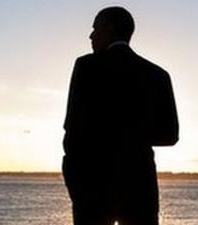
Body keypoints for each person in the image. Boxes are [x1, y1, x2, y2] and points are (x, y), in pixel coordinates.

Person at [62, 6, 179, 225]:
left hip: (93, 190)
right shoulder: (158, 75)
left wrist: (76, 185)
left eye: (95, 28)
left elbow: (73, 130)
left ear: (109, 29)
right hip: (140, 189)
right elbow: (170, 135)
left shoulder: (86, 67)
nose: (91, 35)